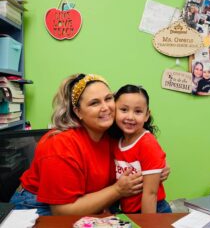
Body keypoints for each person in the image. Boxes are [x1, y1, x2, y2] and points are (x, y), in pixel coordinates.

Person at [10, 74, 170, 216]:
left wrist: (158, 165)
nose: (105, 107)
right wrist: (117, 191)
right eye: (94, 103)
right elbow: (61, 211)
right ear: (78, 112)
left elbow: (142, 143)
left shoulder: (112, 133)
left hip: (92, 200)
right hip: (39, 207)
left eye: (108, 99)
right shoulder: (60, 145)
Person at [109, 84, 171, 214]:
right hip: (128, 211)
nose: (130, 117)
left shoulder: (147, 143)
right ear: (114, 110)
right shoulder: (117, 141)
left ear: (147, 115)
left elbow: (151, 194)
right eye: (124, 110)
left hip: (151, 210)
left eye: (138, 111)